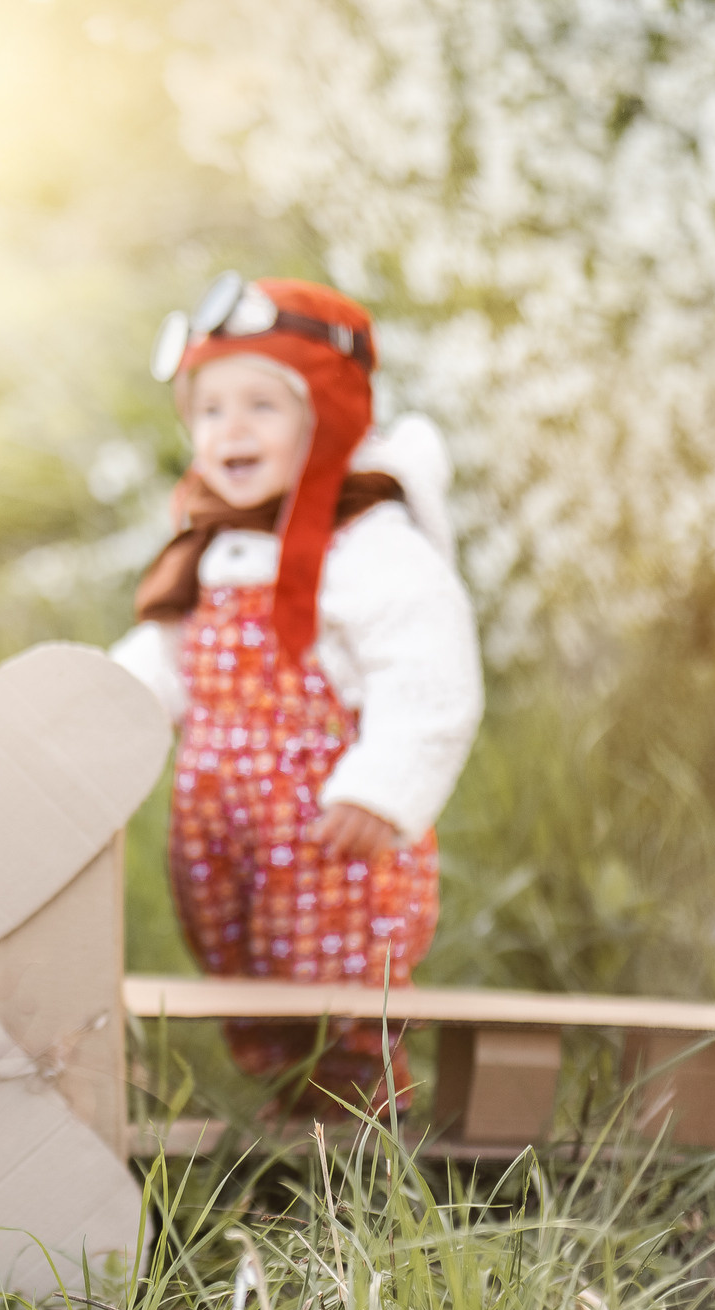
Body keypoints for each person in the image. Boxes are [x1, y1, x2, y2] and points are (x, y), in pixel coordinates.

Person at [109, 274, 482, 1117]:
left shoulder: (368, 544)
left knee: (336, 988)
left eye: (261, 406)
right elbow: (166, 658)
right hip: (226, 834)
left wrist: (382, 787)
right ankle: (291, 1113)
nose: (230, 429)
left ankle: (359, 1125)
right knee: (249, 983)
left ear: (326, 418)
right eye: (210, 410)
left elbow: (428, 675)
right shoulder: (216, 550)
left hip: (326, 832)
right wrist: (86, 711)